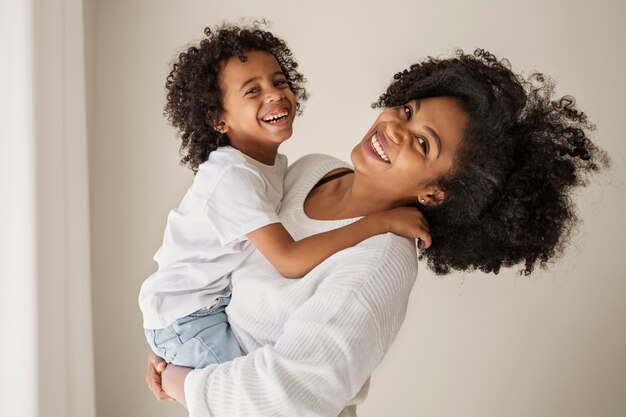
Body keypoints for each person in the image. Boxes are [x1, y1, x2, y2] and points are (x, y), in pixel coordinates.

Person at [146, 49, 607, 416]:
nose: (395, 129)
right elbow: (230, 261)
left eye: (424, 143)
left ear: (434, 193)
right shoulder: (311, 170)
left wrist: (179, 381)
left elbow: (287, 399)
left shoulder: (379, 264)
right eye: (407, 110)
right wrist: (176, 337)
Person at [138, 23, 431, 371]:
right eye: (252, 91)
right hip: (186, 317)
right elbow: (289, 260)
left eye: (279, 82)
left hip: (200, 309)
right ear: (218, 119)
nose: (275, 94)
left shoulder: (274, 165)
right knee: (249, 399)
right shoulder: (233, 177)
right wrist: (380, 222)